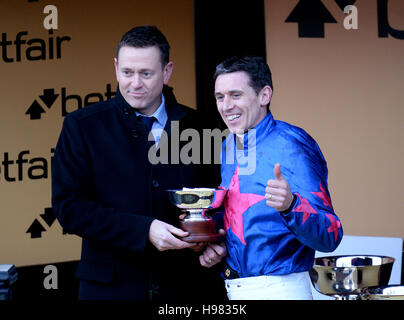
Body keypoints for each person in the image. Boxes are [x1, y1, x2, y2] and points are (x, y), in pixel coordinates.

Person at [52, 25, 226, 300]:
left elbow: (220, 200)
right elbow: (69, 208)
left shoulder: (202, 127)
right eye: (127, 72)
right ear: (115, 67)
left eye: (146, 73)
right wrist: (143, 230)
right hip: (109, 290)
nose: (135, 83)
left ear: (167, 71)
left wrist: (213, 241)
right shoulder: (82, 126)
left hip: (186, 287)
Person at [211, 56, 343, 300]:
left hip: (283, 290)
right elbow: (243, 221)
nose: (226, 106)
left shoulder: (292, 144)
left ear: (264, 96)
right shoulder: (228, 145)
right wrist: (214, 241)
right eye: (220, 97)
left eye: (236, 95)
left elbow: (331, 235)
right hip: (234, 289)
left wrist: (291, 205)